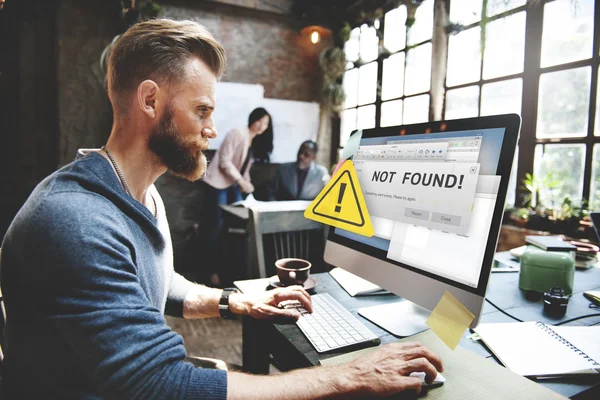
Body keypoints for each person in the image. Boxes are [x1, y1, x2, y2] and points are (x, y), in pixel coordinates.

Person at [0, 18, 443, 399]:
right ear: (150, 101)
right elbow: (165, 385)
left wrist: (238, 303)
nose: (212, 129)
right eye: (203, 110)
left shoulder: (141, 194)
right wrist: (349, 377)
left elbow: (159, 283)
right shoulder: (75, 221)